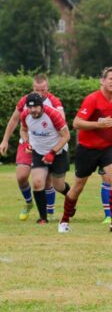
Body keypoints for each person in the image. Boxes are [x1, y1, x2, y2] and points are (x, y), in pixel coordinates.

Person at [58, 67, 112, 234]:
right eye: (111, 79)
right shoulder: (92, 99)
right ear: (102, 81)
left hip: (108, 148)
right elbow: (77, 123)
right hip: (87, 150)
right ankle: (64, 220)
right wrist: (98, 125)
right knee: (78, 187)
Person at [1, 74, 65, 221]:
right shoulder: (25, 100)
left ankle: (49, 212)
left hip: (46, 145)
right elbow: (14, 120)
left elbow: (61, 120)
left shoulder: (54, 101)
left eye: (43, 90)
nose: (40, 93)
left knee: (46, 181)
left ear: (47, 88)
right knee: (22, 176)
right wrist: (5, 140)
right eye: (37, 90)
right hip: (27, 143)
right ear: (33, 88)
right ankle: (29, 203)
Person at [18, 93, 71, 224]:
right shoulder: (25, 115)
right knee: (37, 182)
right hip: (38, 152)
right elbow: (23, 130)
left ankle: (72, 200)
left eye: (35, 107)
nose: (32, 111)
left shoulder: (53, 114)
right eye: (30, 108)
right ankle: (43, 218)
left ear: (41, 105)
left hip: (58, 153)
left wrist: (52, 152)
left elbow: (66, 136)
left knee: (59, 186)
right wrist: (26, 142)